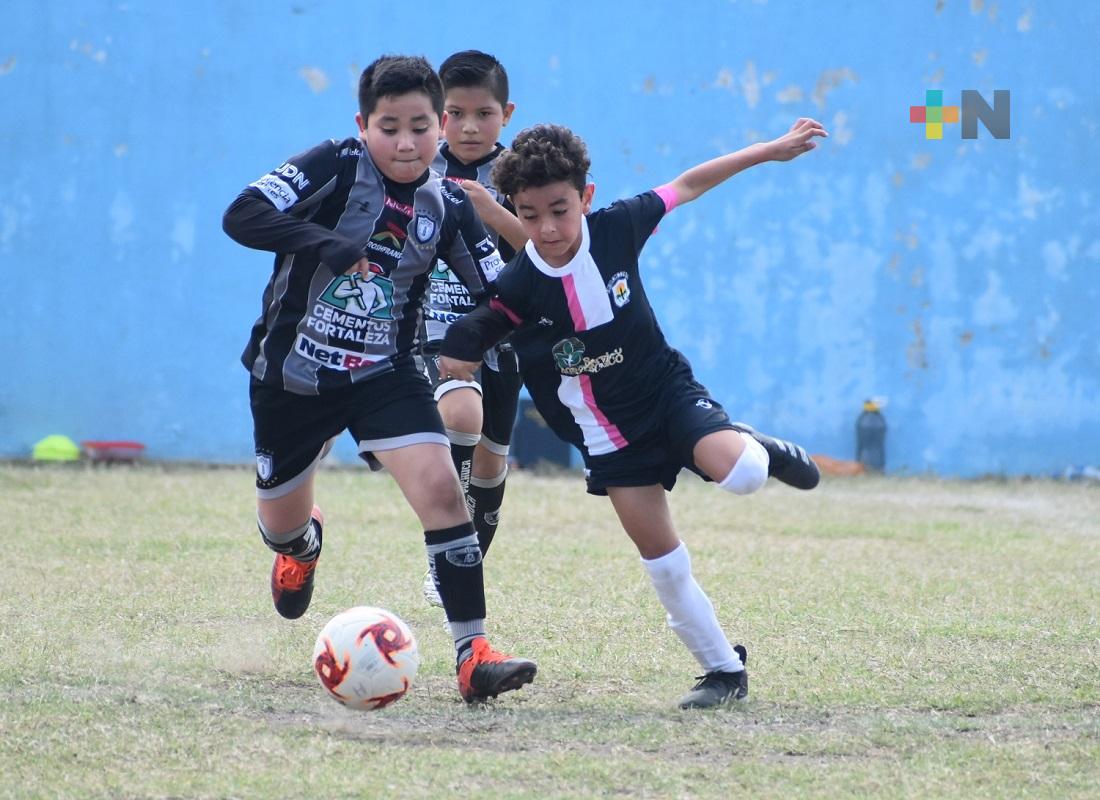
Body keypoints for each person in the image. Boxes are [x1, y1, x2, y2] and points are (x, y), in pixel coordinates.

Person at [438, 120, 827, 708]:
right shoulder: (516, 286)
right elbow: (475, 331)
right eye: (530, 214)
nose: (547, 228)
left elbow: (689, 183)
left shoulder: (618, 226)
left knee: (745, 475)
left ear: (586, 197)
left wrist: (769, 151)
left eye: (560, 210)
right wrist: (452, 359)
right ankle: (724, 672)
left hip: (666, 395)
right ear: (516, 209)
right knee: (665, 566)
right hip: (606, 436)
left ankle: (757, 447)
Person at [221, 54, 536, 703]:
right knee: (280, 524)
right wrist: (325, 243)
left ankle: (473, 654)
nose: (405, 142)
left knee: (443, 492)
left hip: (385, 375)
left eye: (419, 127)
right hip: (292, 379)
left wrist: (491, 332)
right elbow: (242, 214)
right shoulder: (333, 165)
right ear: (363, 124)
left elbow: (497, 292)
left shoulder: (449, 204)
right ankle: (301, 547)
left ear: (438, 127)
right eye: (389, 127)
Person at [418, 50, 527, 608]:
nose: (467, 127)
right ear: (437, 114)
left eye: (483, 114)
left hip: (503, 330)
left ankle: (467, 559)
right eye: (455, 114)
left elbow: (547, 253)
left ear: (506, 114)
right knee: (461, 413)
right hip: (434, 320)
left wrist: (495, 213)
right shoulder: (417, 167)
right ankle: (446, 555)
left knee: (490, 461)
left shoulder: (522, 173)